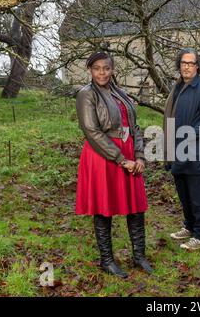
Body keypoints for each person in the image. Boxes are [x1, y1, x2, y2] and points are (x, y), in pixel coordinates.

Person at [75, 51, 153, 278]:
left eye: (106, 68)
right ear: (90, 69)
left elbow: (135, 126)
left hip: (129, 153)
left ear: (112, 69)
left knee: (136, 206)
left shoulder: (120, 93)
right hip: (104, 156)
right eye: (97, 68)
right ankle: (107, 260)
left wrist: (139, 155)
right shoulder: (86, 94)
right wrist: (121, 159)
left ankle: (139, 256)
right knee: (103, 208)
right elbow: (92, 132)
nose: (102, 72)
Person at [163, 48, 200, 250]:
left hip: (194, 149)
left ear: (197, 66)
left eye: (191, 63)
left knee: (196, 195)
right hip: (176, 149)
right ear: (180, 65)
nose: (186, 66)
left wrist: (189, 134)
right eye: (184, 63)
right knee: (183, 193)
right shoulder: (177, 87)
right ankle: (189, 226)